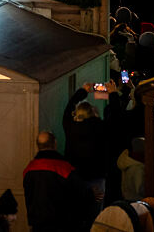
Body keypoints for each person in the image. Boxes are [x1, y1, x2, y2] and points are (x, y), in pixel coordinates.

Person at [22, 131, 88, 232]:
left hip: (37, 224)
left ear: (38, 146)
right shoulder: (65, 168)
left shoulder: (28, 169)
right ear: (55, 143)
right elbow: (80, 194)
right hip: (61, 224)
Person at [63, 85, 108, 214]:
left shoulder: (69, 127)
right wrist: (113, 93)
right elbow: (114, 117)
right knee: (95, 215)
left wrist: (83, 91)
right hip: (96, 176)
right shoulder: (100, 127)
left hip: (75, 178)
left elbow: (68, 107)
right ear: (92, 113)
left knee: (76, 213)